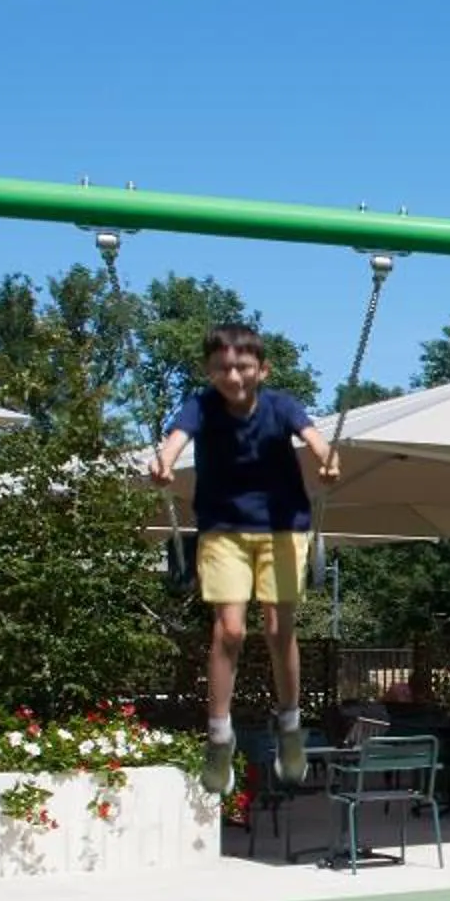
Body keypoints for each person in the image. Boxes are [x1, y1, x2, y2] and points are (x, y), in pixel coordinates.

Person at [148, 323, 339, 796]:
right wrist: (163, 463)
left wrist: (326, 459)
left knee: (279, 629)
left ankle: (290, 725)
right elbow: (175, 440)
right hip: (224, 529)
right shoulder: (200, 406)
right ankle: (218, 735)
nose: (232, 376)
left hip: (282, 526)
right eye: (222, 368)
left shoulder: (281, 406)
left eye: (243, 367)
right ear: (209, 370)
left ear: (262, 370)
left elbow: (314, 438)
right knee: (229, 630)